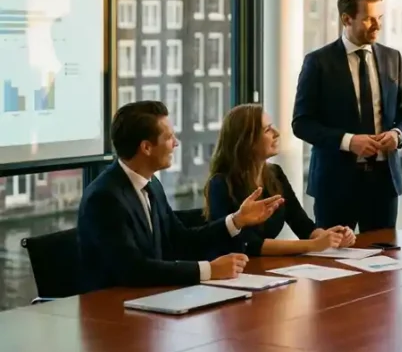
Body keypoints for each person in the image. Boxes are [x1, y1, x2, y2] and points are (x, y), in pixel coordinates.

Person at [78, 101, 284, 291]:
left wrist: (236, 220)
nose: (176, 143)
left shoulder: (151, 184)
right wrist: (208, 270)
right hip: (111, 310)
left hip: (150, 299)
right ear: (146, 147)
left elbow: (181, 240)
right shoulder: (104, 198)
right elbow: (132, 269)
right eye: (168, 138)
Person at [292, 0, 402, 232]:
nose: (377, 26)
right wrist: (349, 141)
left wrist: (397, 134)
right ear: (346, 19)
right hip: (335, 185)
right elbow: (302, 123)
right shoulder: (318, 62)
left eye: (379, 18)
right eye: (369, 19)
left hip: (384, 182)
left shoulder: (393, 58)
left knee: (385, 263)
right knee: (334, 264)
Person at [203, 104, 357, 256]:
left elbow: (303, 226)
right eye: (267, 130)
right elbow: (250, 244)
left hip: (265, 269)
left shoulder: (275, 174)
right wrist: (313, 245)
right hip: (234, 272)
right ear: (247, 141)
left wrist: (331, 237)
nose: (276, 133)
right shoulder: (220, 184)